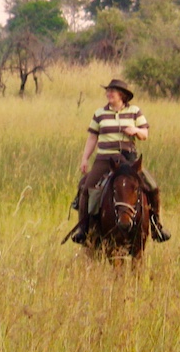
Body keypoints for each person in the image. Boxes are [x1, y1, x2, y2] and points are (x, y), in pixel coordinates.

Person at [69, 79, 169, 244]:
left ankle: (156, 224)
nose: (109, 94)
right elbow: (93, 137)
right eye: (108, 91)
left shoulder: (135, 111)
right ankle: (83, 227)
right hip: (104, 159)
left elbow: (145, 134)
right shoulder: (100, 113)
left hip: (128, 159)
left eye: (112, 92)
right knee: (86, 187)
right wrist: (85, 158)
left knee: (152, 186)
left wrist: (135, 131)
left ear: (121, 95)